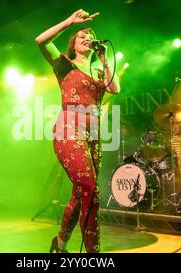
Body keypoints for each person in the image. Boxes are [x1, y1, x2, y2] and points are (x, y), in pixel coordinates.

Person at [35, 9, 120, 253]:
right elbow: (40, 41)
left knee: (82, 191)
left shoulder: (99, 71)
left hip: (93, 136)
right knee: (91, 189)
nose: (87, 37)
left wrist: (103, 58)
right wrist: (71, 22)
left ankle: (59, 244)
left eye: (90, 35)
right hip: (68, 130)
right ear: (73, 43)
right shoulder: (63, 64)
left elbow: (115, 88)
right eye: (82, 35)